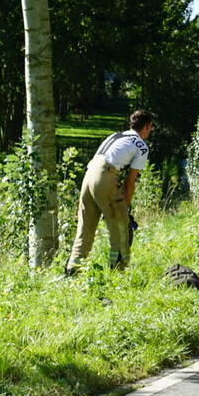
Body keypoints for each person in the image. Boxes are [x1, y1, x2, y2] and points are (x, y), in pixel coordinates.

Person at [65, 110, 154, 275]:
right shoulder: (141, 146)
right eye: (151, 128)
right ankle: (117, 272)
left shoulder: (116, 136)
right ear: (147, 126)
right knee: (122, 226)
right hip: (104, 176)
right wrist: (125, 208)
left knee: (85, 227)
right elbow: (130, 182)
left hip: (88, 175)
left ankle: (73, 270)